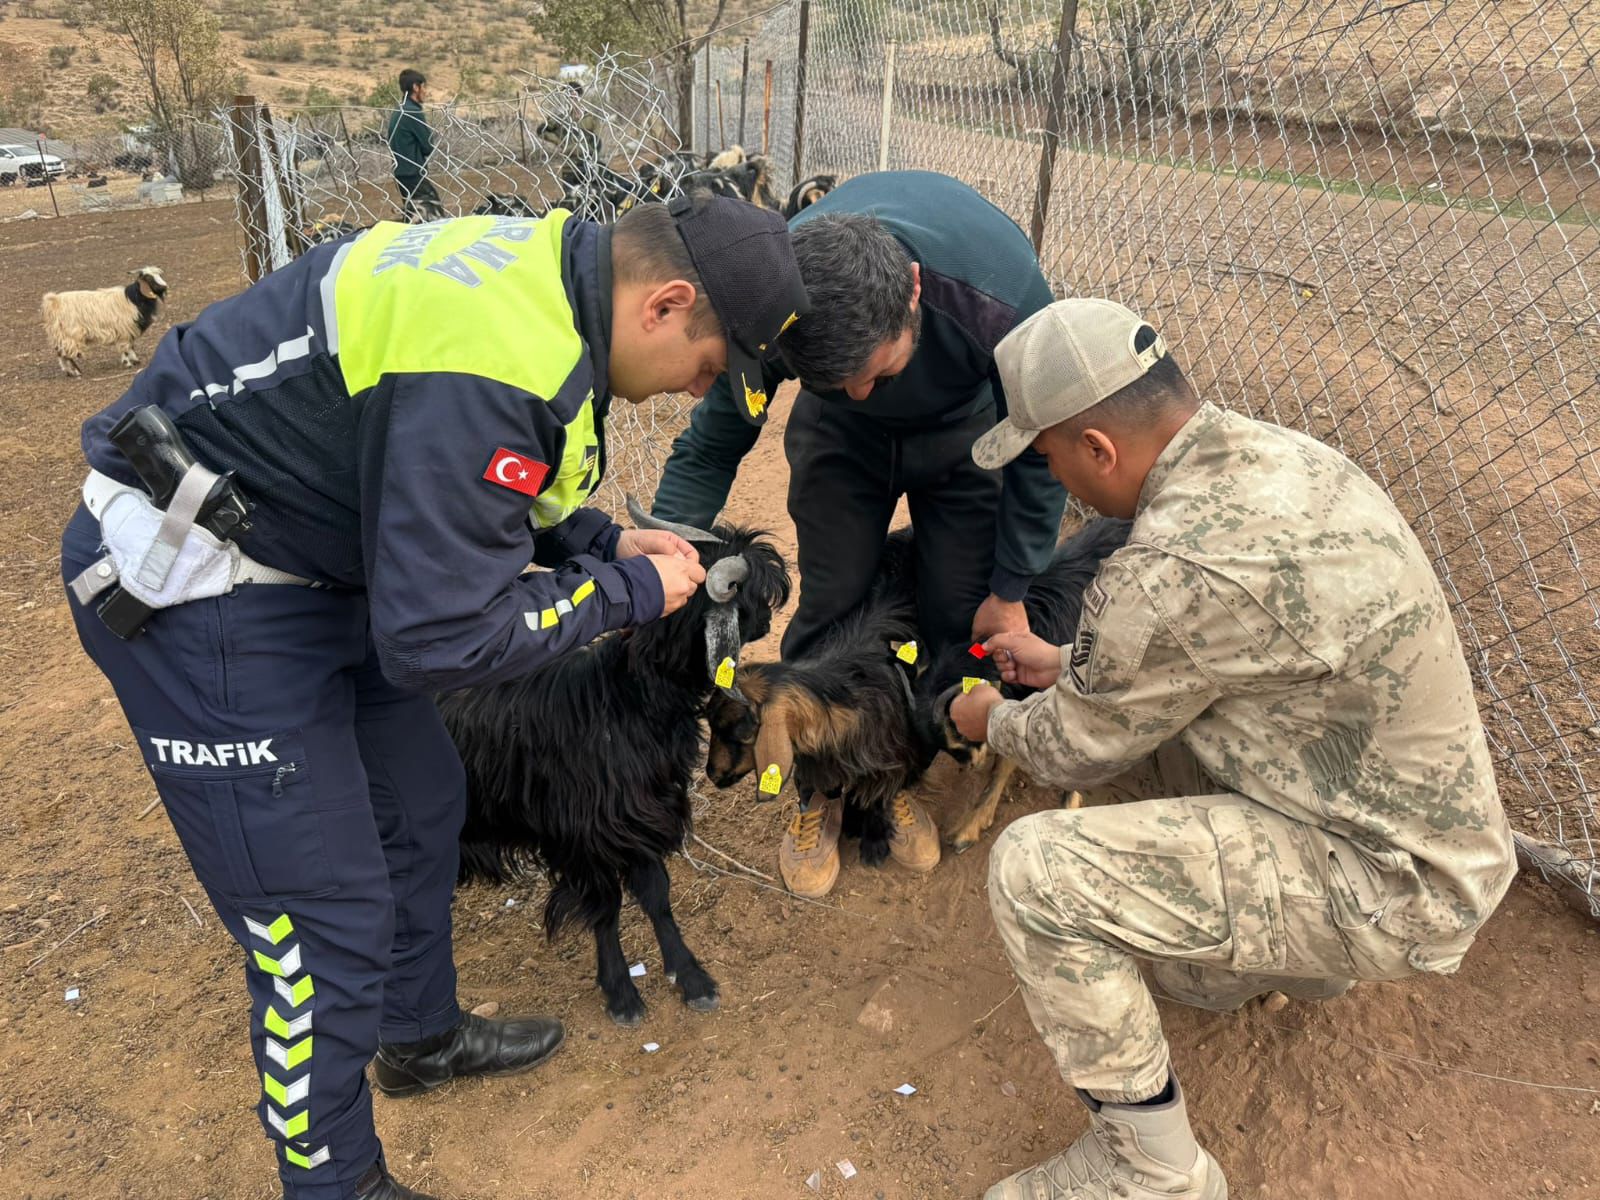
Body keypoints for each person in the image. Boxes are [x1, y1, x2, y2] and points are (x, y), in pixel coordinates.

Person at [60, 196, 808, 1200]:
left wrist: (601, 542)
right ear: (666, 306)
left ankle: (417, 1039)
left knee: (422, 804)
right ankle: (337, 1183)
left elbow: (471, 488)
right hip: (200, 589)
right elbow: (440, 638)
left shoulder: (552, 287)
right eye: (708, 370)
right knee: (315, 922)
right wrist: (625, 592)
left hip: (318, 560)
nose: (692, 392)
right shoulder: (492, 360)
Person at [946, 298, 1517, 1200]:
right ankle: (1262, 967)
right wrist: (1066, 661)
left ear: (1097, 447)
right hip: (1419, 829)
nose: (1053, 481)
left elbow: (1075, 749)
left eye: (1047, 457)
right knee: (1172, 726)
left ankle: (1151, 1171)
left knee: (1033, 870)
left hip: (1391, 886)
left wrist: (988, 718)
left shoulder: (1168, 568)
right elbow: (1202, 652)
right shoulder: (1281, 459)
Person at [652, 169, 1067, 896]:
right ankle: (820, 786)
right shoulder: (773, 301)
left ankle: (895, 771)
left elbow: (1041, 450)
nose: (863, 391)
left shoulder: (1003, 298)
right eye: (835, 376)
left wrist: (1010, 588)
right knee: (834, 600)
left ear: (912, 290)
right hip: (841, 441)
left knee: (955, 612)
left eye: (877, 371)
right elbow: (714, 442)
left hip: (966, 431)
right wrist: (669, 549)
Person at [387, 68, 441, 222]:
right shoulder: (412, 112)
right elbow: (428, 146)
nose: (425, 91)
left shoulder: (399, 110)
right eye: (424, 87)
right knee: (432, 212)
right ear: (416, 87)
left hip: (402, 173)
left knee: (415, 214)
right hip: (413, 173)